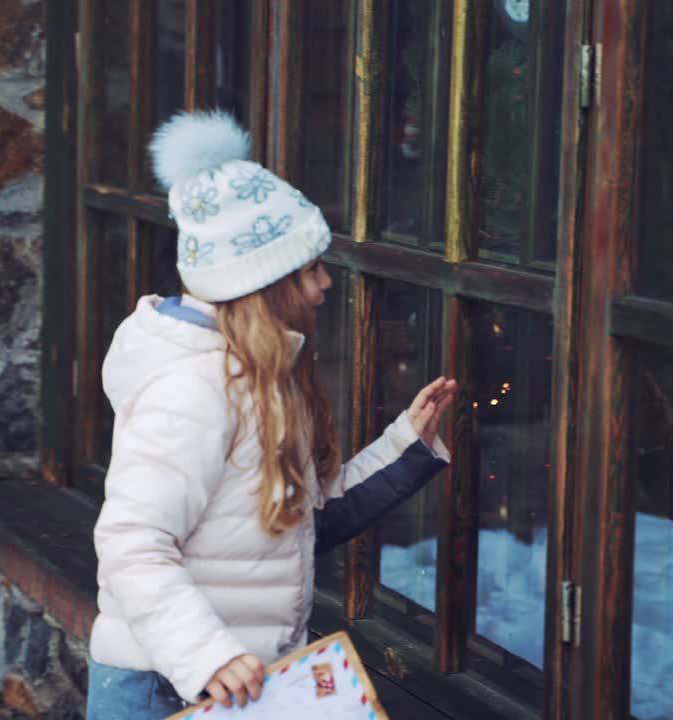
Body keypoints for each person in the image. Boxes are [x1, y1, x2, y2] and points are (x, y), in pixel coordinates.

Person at [87, 110, 458, 718]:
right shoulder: (192, 390)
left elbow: (300, 522)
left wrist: (404, 448)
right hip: (166, 689)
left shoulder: (260, 377)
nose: (326, 283)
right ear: (263, 284)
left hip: (236, 688)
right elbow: (132, 544)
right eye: (311, 269)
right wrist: (207, 657)